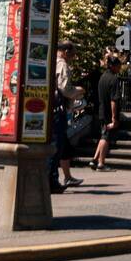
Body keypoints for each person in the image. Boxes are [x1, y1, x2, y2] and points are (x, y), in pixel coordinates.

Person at [50, 41, 85, 193]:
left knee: (57, 144)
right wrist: (78, 90)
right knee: (57, 145)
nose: (73, 57)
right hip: (59, 109)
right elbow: (64, 88)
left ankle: (54, 177)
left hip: (50, 108)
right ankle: (52, 179)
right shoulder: (62, 64)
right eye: (73, 54)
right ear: (65, 51)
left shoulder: (50, 61)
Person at [90, 54, 122, 171]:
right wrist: (114, 117)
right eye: (119, 66)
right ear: (113, 66)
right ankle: (101, 163)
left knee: (103, 134)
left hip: (101, 110)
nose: (120, 69)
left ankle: (94, 159)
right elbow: (114, 100)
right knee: (106, 137)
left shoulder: (103, 77)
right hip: (109, 112)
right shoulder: (114, 79)